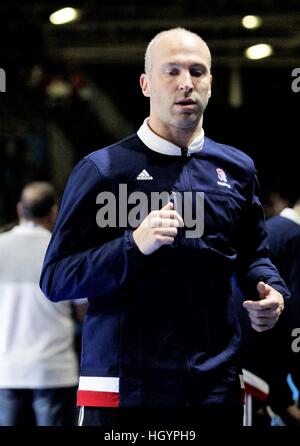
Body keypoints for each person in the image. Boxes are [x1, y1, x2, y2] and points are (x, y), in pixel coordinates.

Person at [40, 28, 289, 428]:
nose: (186, 83)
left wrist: (270, 290)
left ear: (210, 82)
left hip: (215, 391)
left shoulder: (238, 169)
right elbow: (55, 280)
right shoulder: (101, 170)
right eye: (171, 71)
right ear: (145, 84)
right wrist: (132, 245)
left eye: (197, 71)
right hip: (122, 393)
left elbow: (254, 256)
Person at [0, 182, 87, 426]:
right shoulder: (63, 250)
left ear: (20, 209)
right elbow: (83, 312)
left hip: (7, 369)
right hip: (53, 369)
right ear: (54, 212)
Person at [263, 196, 300, 425]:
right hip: (266, 389)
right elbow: (292, 324)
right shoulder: (286, 237)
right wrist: (283, 400)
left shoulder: (273, 231)